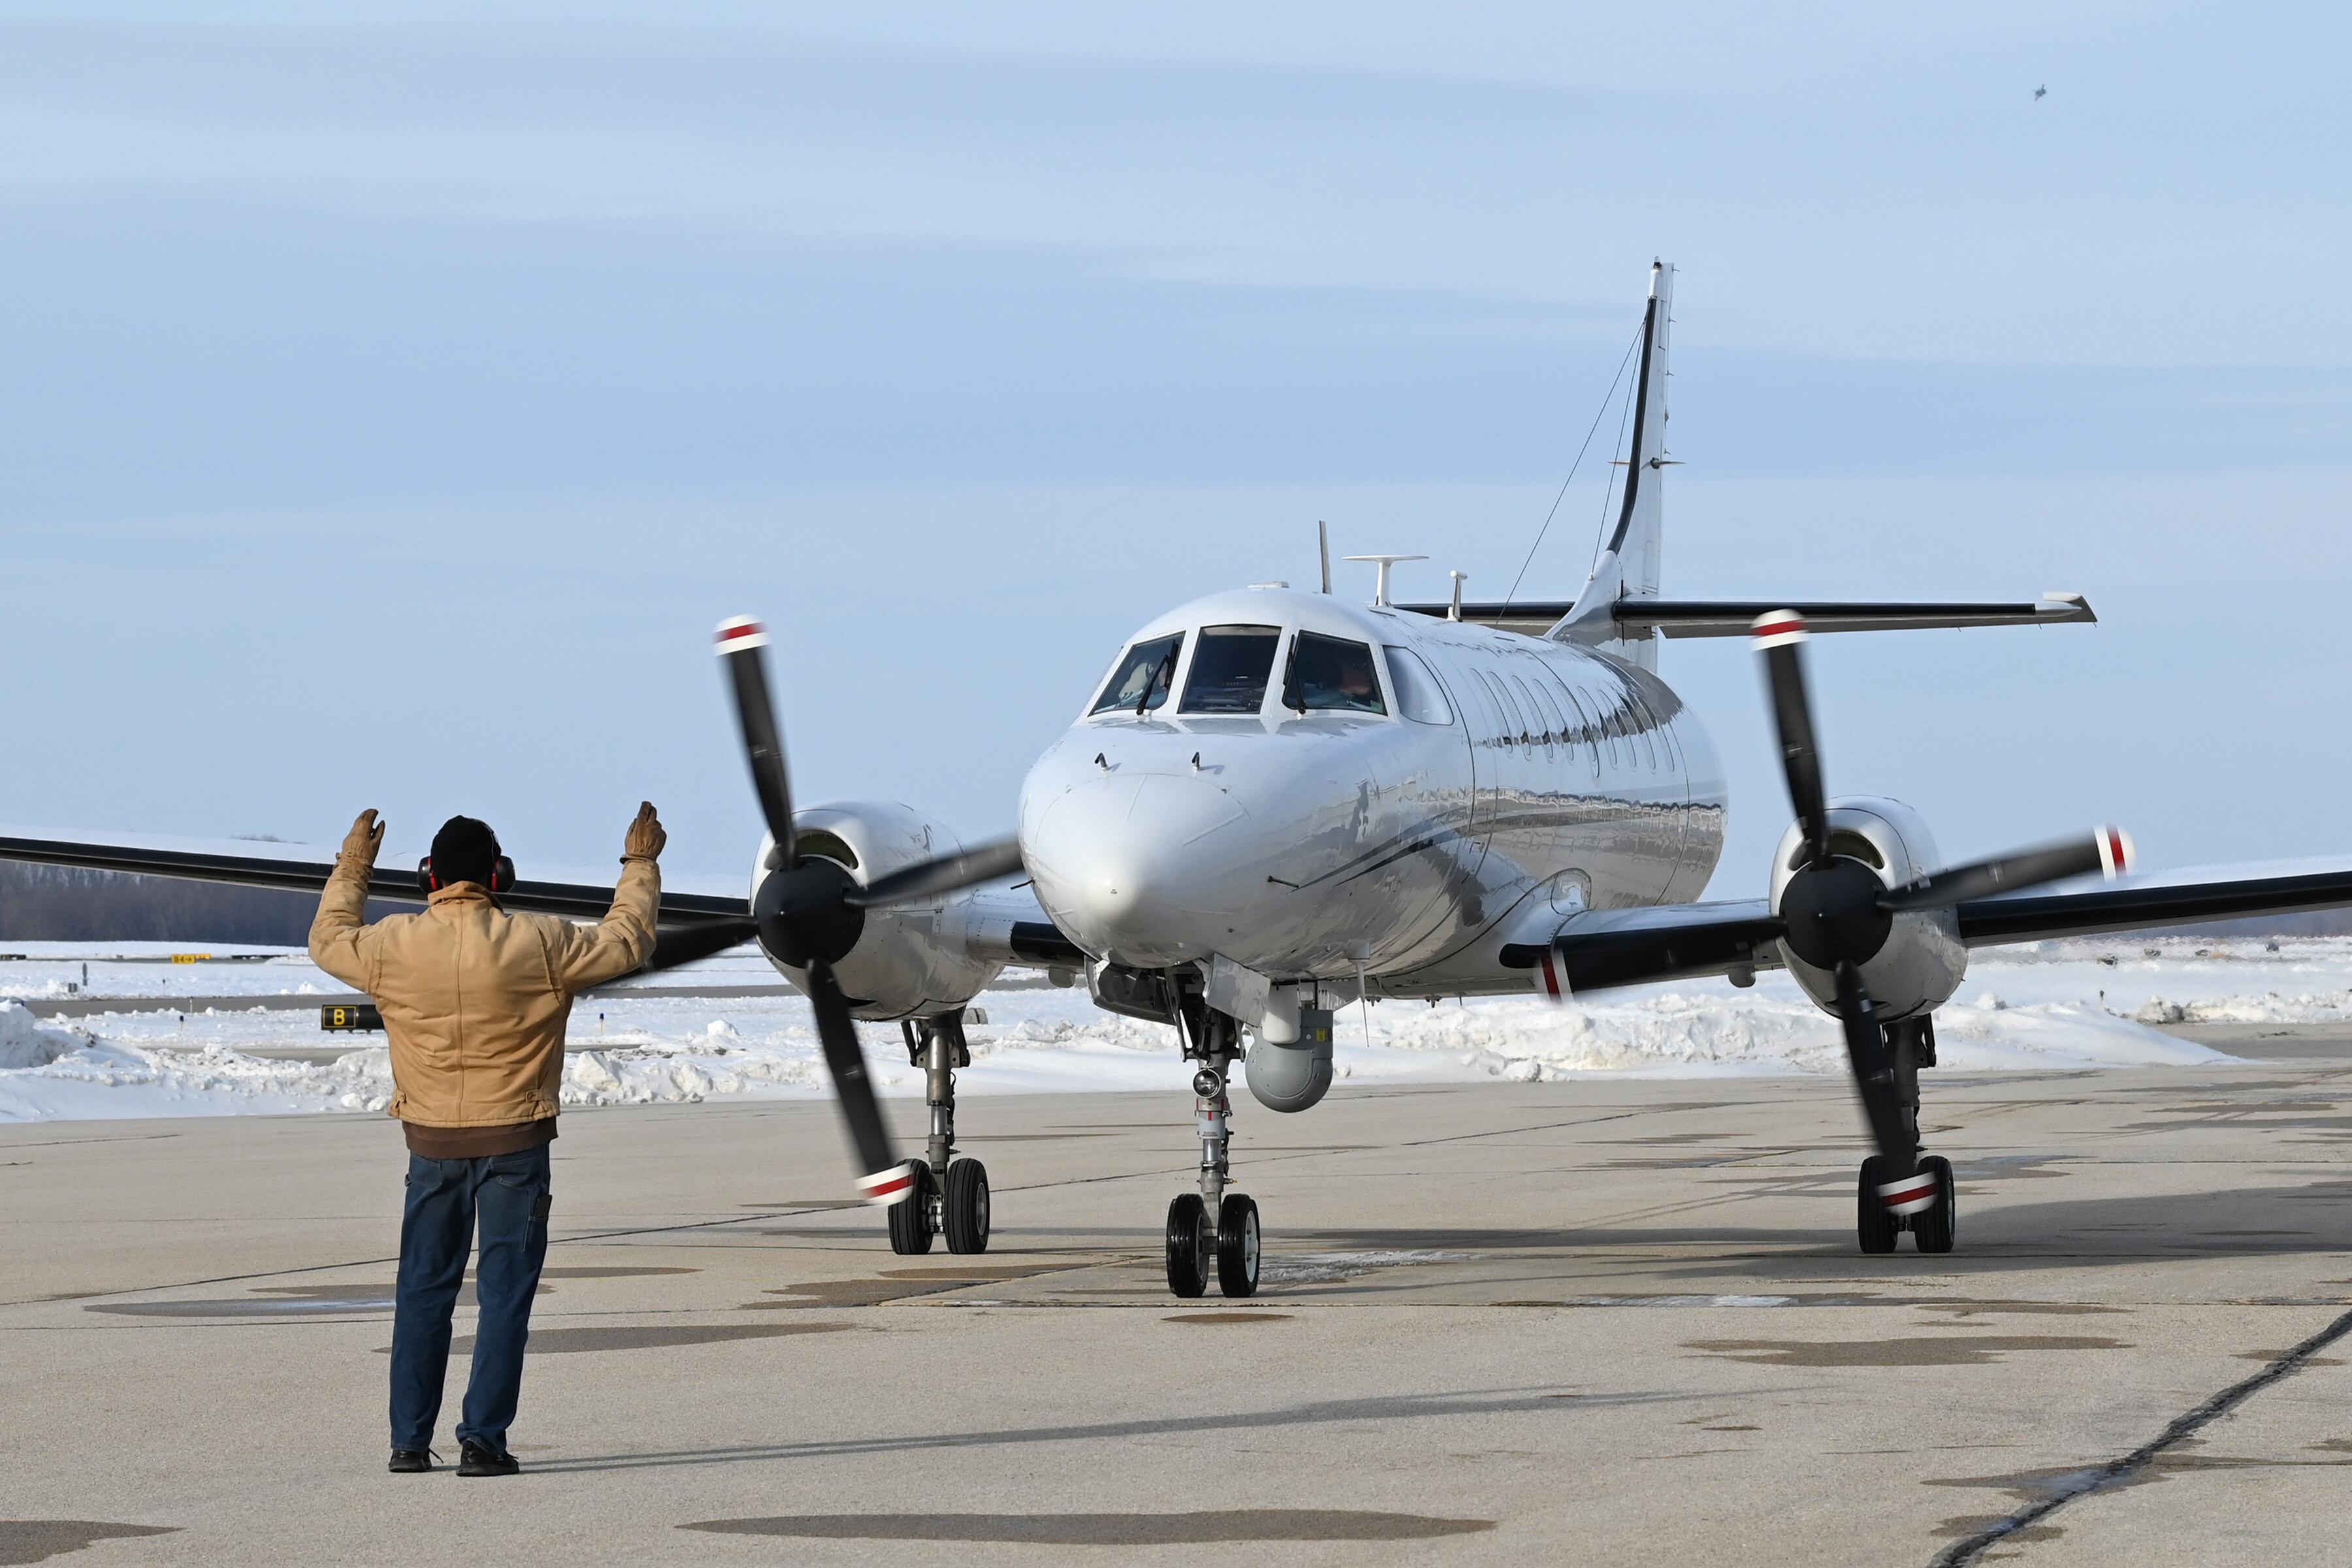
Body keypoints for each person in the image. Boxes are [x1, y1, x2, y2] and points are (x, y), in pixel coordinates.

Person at [309, 803, 665, 1477]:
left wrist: (353, 864)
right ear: (498, 876)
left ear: (429, 878)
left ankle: (409, 1442)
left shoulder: (391, 945)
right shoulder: (540, 940)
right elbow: (627, 941)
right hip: (516, 1146)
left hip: (431, 1148)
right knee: (504, 1296)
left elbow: (328, 937)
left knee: (422, 1291)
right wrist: (639, 864)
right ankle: (482, 1439)